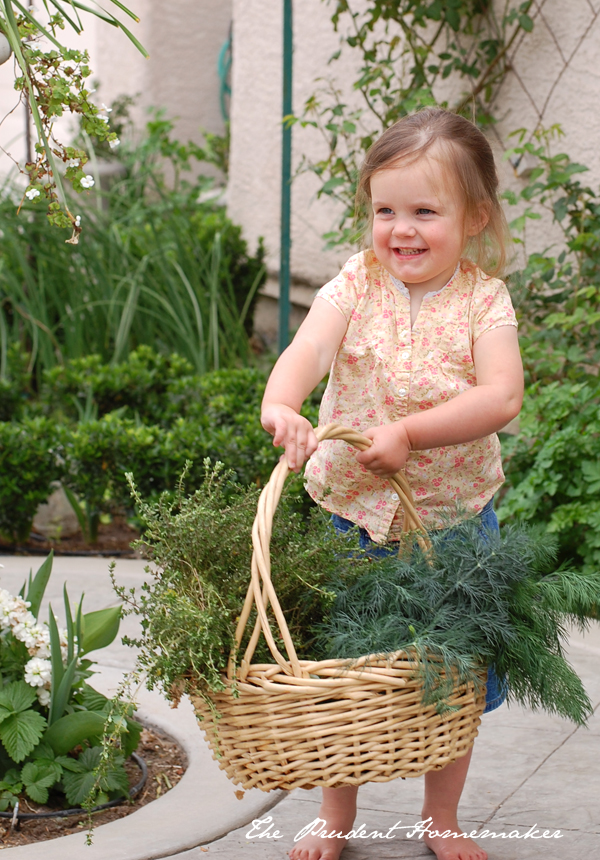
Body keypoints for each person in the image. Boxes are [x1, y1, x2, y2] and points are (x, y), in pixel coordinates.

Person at [261, 107, 523, 860]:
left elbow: (501, 396)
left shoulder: (484, 301)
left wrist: (409, 433)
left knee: (451, 670)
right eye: (385, 210)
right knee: (343, 665)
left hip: (450, 522)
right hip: (351, 511)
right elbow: (309, 348)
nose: (401, 229)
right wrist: (283, 402)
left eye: (425, 212)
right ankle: (335, 813)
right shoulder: (357, 281)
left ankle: (441, 818)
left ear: (473, 217)